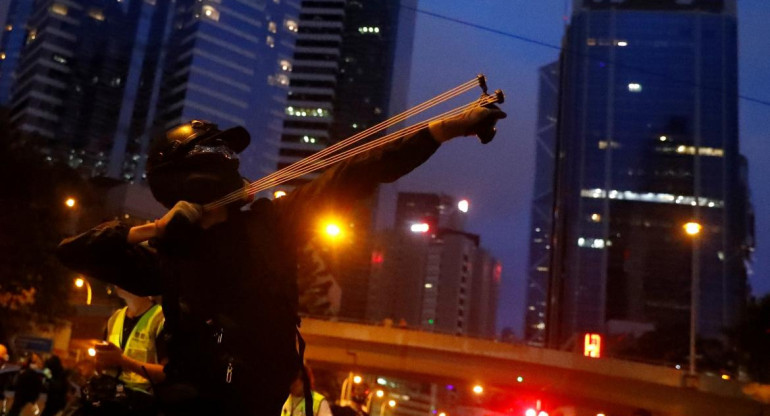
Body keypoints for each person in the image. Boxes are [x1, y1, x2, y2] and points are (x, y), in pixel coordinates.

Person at [56, 104, 506, 416]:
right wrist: (150, 230)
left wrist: (443, 129)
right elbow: (74, 250)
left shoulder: (272, 223)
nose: (230, 161)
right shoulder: (171, 252)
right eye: (216, 153)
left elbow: (358, 171)